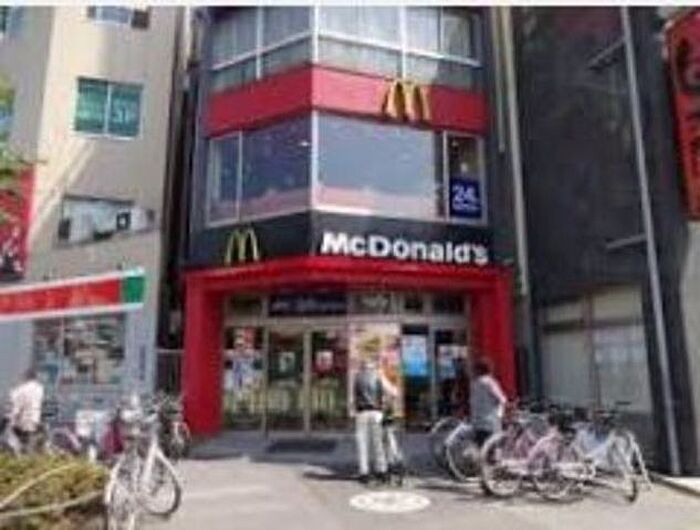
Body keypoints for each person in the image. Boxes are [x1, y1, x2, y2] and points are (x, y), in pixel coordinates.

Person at [353, 358, 397, 485]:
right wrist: (389, 398)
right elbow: (393, 392)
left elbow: (354, 397)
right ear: (373, 366)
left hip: (361, 413)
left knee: (362, 444)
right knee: (378, 443)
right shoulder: (378, 375)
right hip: (376, 413)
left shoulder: (357, 377)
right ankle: (381, 471)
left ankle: (364, 473)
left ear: (363, 366)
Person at [469, 357, 507, 447]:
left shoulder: (474, 383)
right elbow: (502, 399)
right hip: (490, 423)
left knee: (481, 449)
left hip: (477, 423)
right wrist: (500, 415)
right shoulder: (490, 382)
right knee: (493, 449)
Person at [9, 368, 45, 453]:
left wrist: (12, 417)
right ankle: (26, 448)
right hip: (36, 418)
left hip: (25, 420)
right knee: (29, 436)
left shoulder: (22, 389)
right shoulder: (39, 388)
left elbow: (18, 407)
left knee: (12, 427)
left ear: (26, 377)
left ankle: (18, 450)